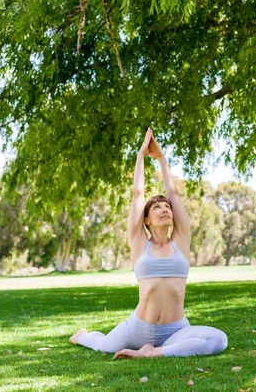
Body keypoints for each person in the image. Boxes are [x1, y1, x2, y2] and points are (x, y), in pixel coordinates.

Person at [69, 128, 228, 359]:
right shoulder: (139, 242)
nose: (164, 209)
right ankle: (82, 335)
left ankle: (154, 353)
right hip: (138, 328)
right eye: (157, 207)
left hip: (176, 330)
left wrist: (162, 159)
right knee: (103, 345)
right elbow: (137, 194)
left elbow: (173, 193)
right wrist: (141, 156)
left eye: (166, 208)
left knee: (218, 340)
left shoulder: (181, 242)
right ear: (146, 218)